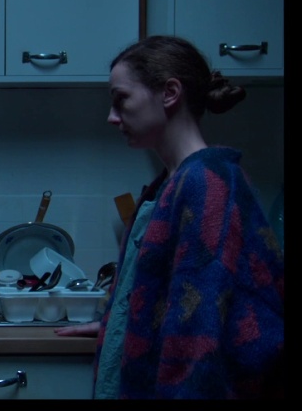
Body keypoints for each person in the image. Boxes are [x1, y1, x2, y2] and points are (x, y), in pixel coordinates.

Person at [54, 35, 284, 399]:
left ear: (170, 93)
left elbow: (197, 337)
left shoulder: (206, 184)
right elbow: (169, 297)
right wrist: (120, 324)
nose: (112, 117)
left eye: (121, 99)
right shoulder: (173, 182)